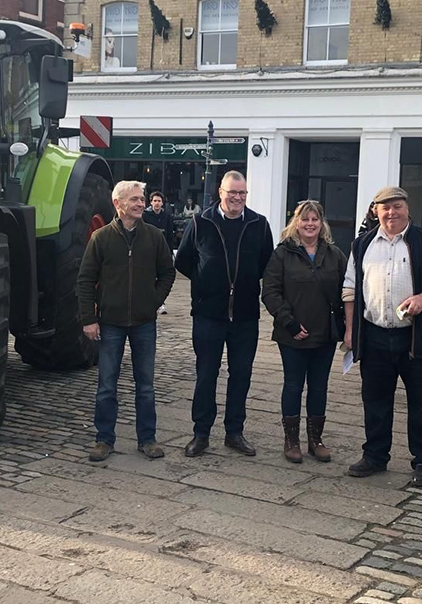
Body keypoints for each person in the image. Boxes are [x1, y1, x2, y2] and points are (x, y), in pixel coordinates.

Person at [343, 186, 422, 487]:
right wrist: (349, 331)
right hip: (375, 335)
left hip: (418, 337)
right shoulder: (362, 245)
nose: (391, 213)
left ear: (407, 208)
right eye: (385, 208)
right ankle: (375, 455)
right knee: (375, 400)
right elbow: (349, 290)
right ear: (376, 212)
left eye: (397, 206)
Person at [77, 180, 177, 462]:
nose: (140, 203)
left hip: (144, 323)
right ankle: (104, 439)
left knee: (145, 385)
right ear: (118, 204)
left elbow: (168, 273)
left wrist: (153, 300)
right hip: (110, 323)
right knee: (107, 384)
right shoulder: (101, 238)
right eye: (133, 199)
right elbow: (85, 280)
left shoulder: (155, 237)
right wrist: (89, 319)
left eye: (141, 198)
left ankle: (147, 438)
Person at [176, 170, 274, 457]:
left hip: (245, 315)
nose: (237, 198)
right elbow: (183, 261)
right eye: (232, 192)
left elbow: (265, 263)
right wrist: (207, 283)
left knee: (241, 374)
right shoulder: (201, 221)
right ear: (220, 192)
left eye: (242, 193)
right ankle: (201, 433)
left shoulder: (259, 224)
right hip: (208, 314)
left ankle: (234, 432)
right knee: (206, 374)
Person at [262, 200, 345, 463]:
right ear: (296, 223)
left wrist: (346, 325)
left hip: (324, 334)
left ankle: (316, 440)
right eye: (305, 219)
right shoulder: (282, 254)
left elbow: (348, 290)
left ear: (322, 224)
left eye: (315, 220)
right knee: (293, 385)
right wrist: (290, 323)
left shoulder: (334, 255)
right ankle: (292, 441)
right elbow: (271, 292)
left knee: (319, 387)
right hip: (292, 334)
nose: (310, 224)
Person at [143, 191, 177, 315]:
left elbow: (169, 235)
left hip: (162, 251)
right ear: (151, 202)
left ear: (162, 203)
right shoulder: (145, 216)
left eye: (159, 201)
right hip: (148, 250)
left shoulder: (167, 217)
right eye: (155, 201)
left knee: (162, 276)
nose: (157, 203)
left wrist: (169, 251)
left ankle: (161, 303)